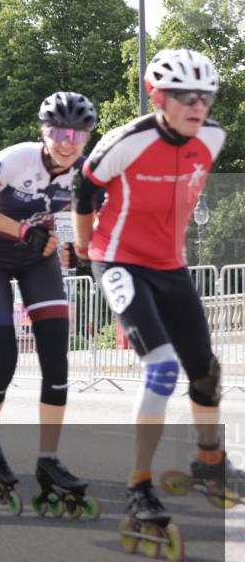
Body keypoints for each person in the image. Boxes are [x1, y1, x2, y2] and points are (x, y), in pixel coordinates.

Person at [73, 49, 244, 530]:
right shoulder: (127, 141)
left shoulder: (213, 138)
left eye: (206, 96)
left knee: (205, 370)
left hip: (170, 266)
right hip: (119, 260)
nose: (198, 105)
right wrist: (88, 253)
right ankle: (139, 485)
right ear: (157, 96)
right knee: (162, 368)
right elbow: (85, 192)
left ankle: (209, 462)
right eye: (184, 96)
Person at [0, 91, 99, 516]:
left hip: (38, 260)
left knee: (57, 356)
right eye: (58, 132)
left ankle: (49, 460)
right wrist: (23, 232)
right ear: (44, 132)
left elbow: (88, 213)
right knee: (3, 359)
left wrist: (82, 249)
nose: (66, 141)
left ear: (87, 138)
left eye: (76, 134)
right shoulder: (16, 159)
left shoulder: (85, 173)